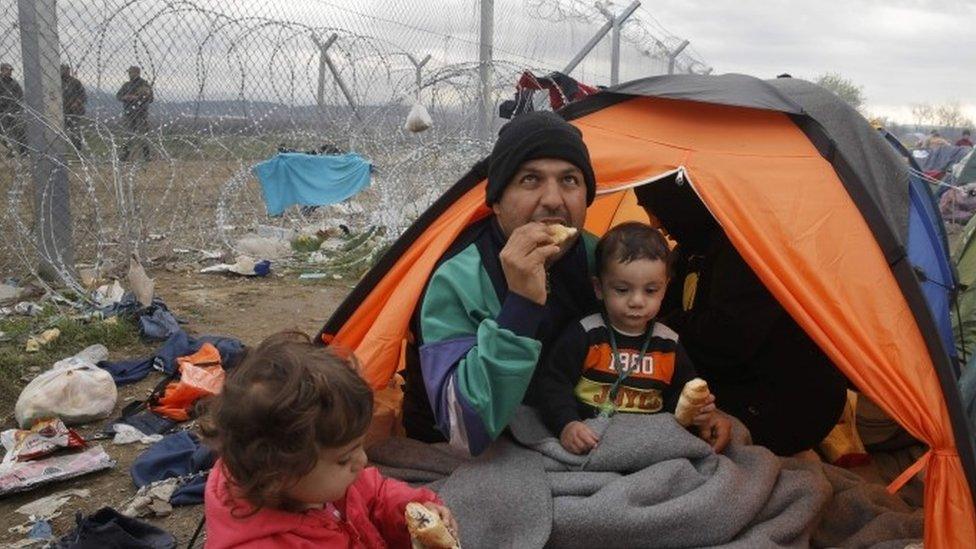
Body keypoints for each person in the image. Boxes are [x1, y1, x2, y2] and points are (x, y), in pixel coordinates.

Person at [400, 110, 732, 456]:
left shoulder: (601, 260)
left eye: (570, 180)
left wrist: (695, 409)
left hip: (576, 435)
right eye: (530, 179)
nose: (554, 200)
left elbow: (638, 347)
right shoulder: (458, 276)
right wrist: (521, 306)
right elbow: (465, 429)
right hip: (475, 450)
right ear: (497, 201)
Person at [635, 178, 848, 457]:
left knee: (663, 415)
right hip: (741, 380)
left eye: (655, 209)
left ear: (680, 202)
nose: (655, 224)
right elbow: (664, 315)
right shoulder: (689, 250)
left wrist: (664, 324)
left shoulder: (745, 249)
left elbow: (725, 337)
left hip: (791, 402)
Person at [201, 331, 458, 548]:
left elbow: (375, 493)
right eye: (345, 457)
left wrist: (411, 509)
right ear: (279, 476)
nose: (363, 460)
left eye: (359, 445)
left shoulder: (317, 484)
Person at [533, 222, 727, 454]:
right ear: (599, 288)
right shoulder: (585, 333)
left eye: (651, 290)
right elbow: (553, 384)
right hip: (591, 440)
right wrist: (567, 424)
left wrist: (699, 412)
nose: (637, 301)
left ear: (665, 288)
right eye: (622, 290)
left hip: (646, 445)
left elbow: (679, 397)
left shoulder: (669, 344)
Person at [115, 65, 153, 161]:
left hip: (141, 113)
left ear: (137, 73)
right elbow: (118, 96)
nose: (129, 74)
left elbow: (151, 98)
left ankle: (146, 156)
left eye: (131, 72)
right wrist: (126, 97)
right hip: (129, 113)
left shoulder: (144, 85)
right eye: (129, 72)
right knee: (128, 135)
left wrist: (138, 98)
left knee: (142, 135)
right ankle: (125, 155)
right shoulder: (126, 85)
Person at [0, 62, 26, 156]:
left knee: (19, 131)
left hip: (14, 111)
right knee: (4, 133)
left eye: (10, 70)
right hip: (2, 111)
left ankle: (23, 150)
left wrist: (17, 106)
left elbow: (20, 95)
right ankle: (11, 149)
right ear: (2, 70)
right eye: (7, 70)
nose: (10, 72)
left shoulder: (14, 83)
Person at [60, 64, 86, 151]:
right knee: (59, 131)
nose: (65, 71)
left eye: (66, 70)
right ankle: (61, 150)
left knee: (75, 132)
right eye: (63, 70)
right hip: (61, 111)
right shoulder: (56, 81)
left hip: (74, 111)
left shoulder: (75, 82)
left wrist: (77, 102)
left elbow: (83, 96)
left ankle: (78, 151)